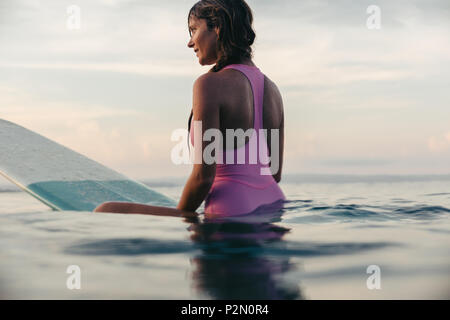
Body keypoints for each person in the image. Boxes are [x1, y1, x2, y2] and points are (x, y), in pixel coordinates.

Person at [94, 0, 285, 217]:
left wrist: (179, 217)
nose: (190, 42)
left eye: (194, 30)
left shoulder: (209, 84)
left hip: (231, 209)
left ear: (217, 27)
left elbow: (203, 177)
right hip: (272, 207)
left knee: (105, 210)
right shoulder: (273, 91)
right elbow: (274, 172)